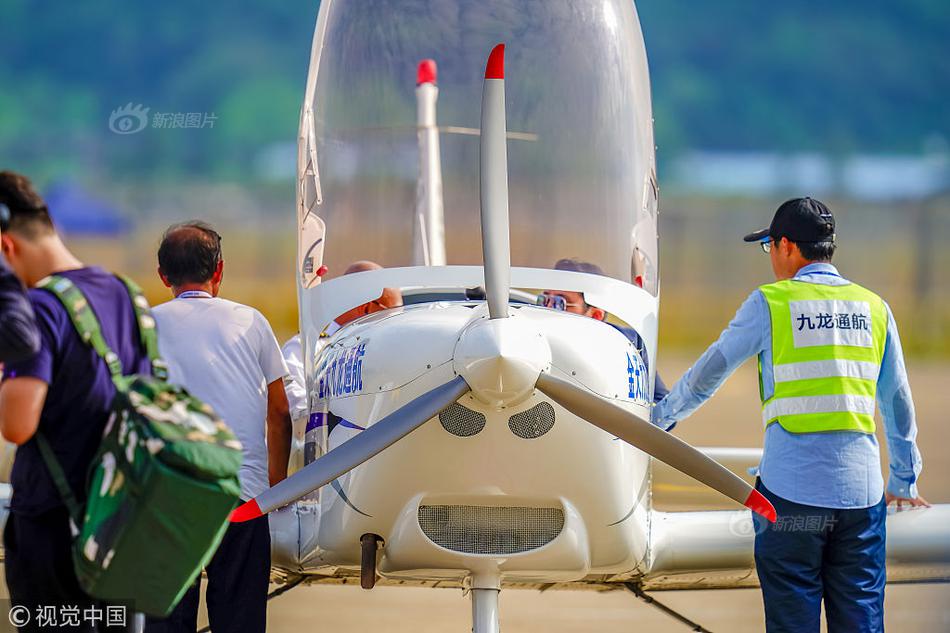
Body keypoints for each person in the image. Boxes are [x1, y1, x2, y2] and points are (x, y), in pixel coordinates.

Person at [652, 197, 926, 633]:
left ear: (785, 246)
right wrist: (903, 480)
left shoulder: (770, 303)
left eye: (769, 248)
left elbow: (711, 371)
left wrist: (659, 420)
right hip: (862, 499)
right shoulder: (875, 307)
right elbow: (897, 402)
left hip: (792, 502)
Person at [0, 170, 149, 631]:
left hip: (55, 536)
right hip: (120, 526)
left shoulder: (40, 308)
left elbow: (17, 423)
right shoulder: (126, 294)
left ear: (5, 247)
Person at [146, 222, 292, 633]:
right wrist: (276, 486)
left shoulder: (144, 327)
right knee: (240, 621)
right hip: (240, 498)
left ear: (163, 276)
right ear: (219, 271)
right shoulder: (252, 321)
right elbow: (279, 412)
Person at [283, 260, 403, 453]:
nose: (397, 322)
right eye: (394, 313)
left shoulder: (391, 355)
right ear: (366, 308)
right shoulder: (306, 349)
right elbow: (294, 411)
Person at [539, 257, 668, 403]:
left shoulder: (631, 345)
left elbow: (660, 403)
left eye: (559, 303)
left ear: (595, 315)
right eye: (544, 300)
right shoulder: (530, 336)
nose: (547, 308)